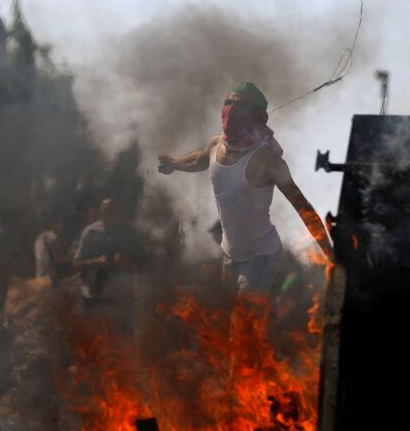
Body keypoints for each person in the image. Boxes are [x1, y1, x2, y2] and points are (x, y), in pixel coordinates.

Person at [158, 82, 333, 297]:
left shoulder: (267, 160)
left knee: (245, 319)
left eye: (239, 104)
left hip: (261, 255)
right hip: (229, 253)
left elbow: (303, 207)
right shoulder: (216, 145)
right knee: (225, 319)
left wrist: (329, 253)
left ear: (256, 115)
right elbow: (201, 160)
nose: (231, 109)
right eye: (228, 102)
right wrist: (174, 163)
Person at [74, 198, 146, 334]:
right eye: (105, 213)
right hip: (93, 296)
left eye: (112, 213)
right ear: (100, 213)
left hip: (120, 298)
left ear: (118, 214)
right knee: (92, 339)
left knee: (123, 338)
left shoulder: (128, 233)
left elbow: (141, 264)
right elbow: (76, 264)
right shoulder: (90, 232)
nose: (108, 217)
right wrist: (96, 261)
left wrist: (125, 261)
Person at [34, 212, 71, 286]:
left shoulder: (40, 237)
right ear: (53, 225)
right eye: (60, 224)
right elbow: (60, 259)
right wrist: (74, 255)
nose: (62, 227)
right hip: (49, 279)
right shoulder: (52, 237)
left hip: (40, 278)